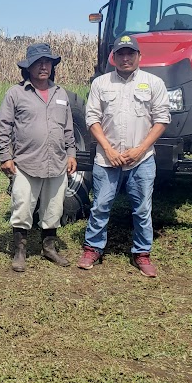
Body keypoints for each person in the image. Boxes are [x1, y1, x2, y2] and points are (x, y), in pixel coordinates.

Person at [77, 34, 170, 277]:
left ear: (140, 56)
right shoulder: (101, 84)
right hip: (107, 159)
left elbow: (161, 120)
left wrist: (139, 150)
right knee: (100, 205)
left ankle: (142, 253)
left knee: (141, 208)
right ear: (114, 57)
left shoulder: (154, 83)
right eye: (121, 54)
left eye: (130, 53)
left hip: (141, 160)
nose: (126, 58)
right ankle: (92, 248)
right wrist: (107, 149)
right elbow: (92, 119)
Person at [0, 43, 77, 270]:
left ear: (52, 66)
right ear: (28, 67)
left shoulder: (60, 94)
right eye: (38, 62)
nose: (43, 66)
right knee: (22, 207)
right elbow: (3, 127)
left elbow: (68, 128)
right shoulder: (16, 93)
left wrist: (71, 153)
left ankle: (49, 248)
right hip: (26, 162)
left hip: (57, 162)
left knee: (54, 209)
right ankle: (20, 251)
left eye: (47, 62)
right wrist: (5, 156)